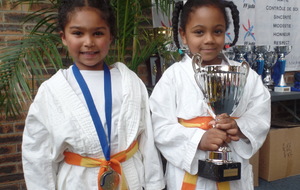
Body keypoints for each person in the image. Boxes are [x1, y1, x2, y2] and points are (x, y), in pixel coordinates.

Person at [22, 0, 165, 189]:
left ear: (111, 36)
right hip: (78, 181)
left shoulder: (130, 82)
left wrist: (155, 184)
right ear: (63, 37)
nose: (88, 42)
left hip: (130, 177)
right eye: (78, 33)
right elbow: (37, 153)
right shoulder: (52, 91)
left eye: (98, 33)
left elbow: (147, 138)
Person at [149, 0, 271, 190]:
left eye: (217, 31)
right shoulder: (173, 77)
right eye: (199, 32)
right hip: (189, 175)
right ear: (183, 34)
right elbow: (160, 126)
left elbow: (260, 114)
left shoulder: (243, 74)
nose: (209, 39)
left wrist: (239, 127)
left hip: (233, 169)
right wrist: (198, 139)